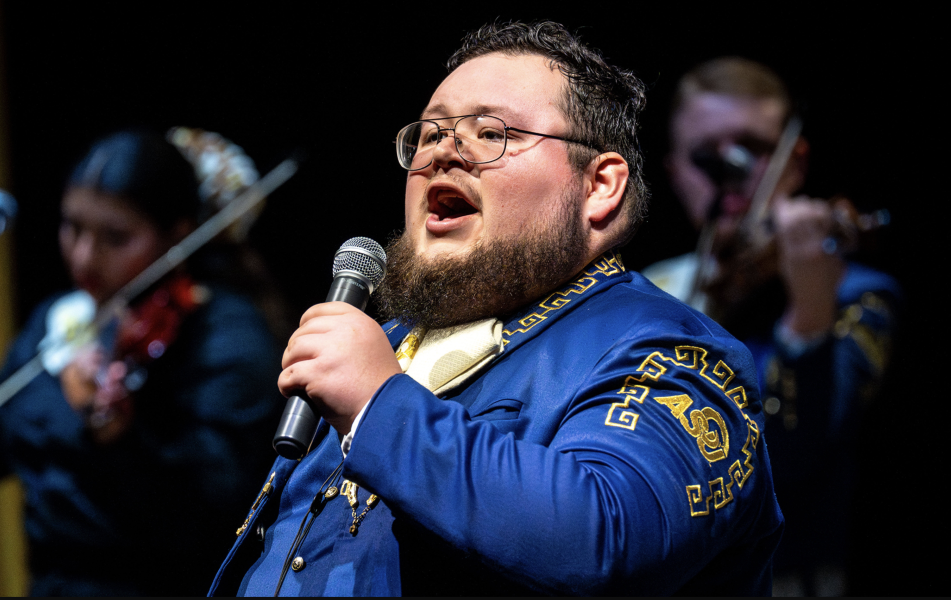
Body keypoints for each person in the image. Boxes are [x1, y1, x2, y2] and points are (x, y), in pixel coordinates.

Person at [210, 21, 782, 596]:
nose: (441, 151)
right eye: (429, 132)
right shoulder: (380, 346)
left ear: (599, 186)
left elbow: (607, 538)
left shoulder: (673, 352)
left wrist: (380, 406)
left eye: (491, 132)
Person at [0, 129, 283, 595]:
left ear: (178, 235)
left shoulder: (227, 339)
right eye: (72, 228)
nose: (83, 256)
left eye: (115, 238)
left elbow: (219, 515)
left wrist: (119, 439)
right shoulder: (59, 322)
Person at [642, 58, 901, 595]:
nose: (729, 173)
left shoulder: (856, 294)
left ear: (795, 160)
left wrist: (809, 314)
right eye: (704, 156)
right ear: (673, 173)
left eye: (752, 150)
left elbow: (795, 461)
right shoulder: (653, 290)